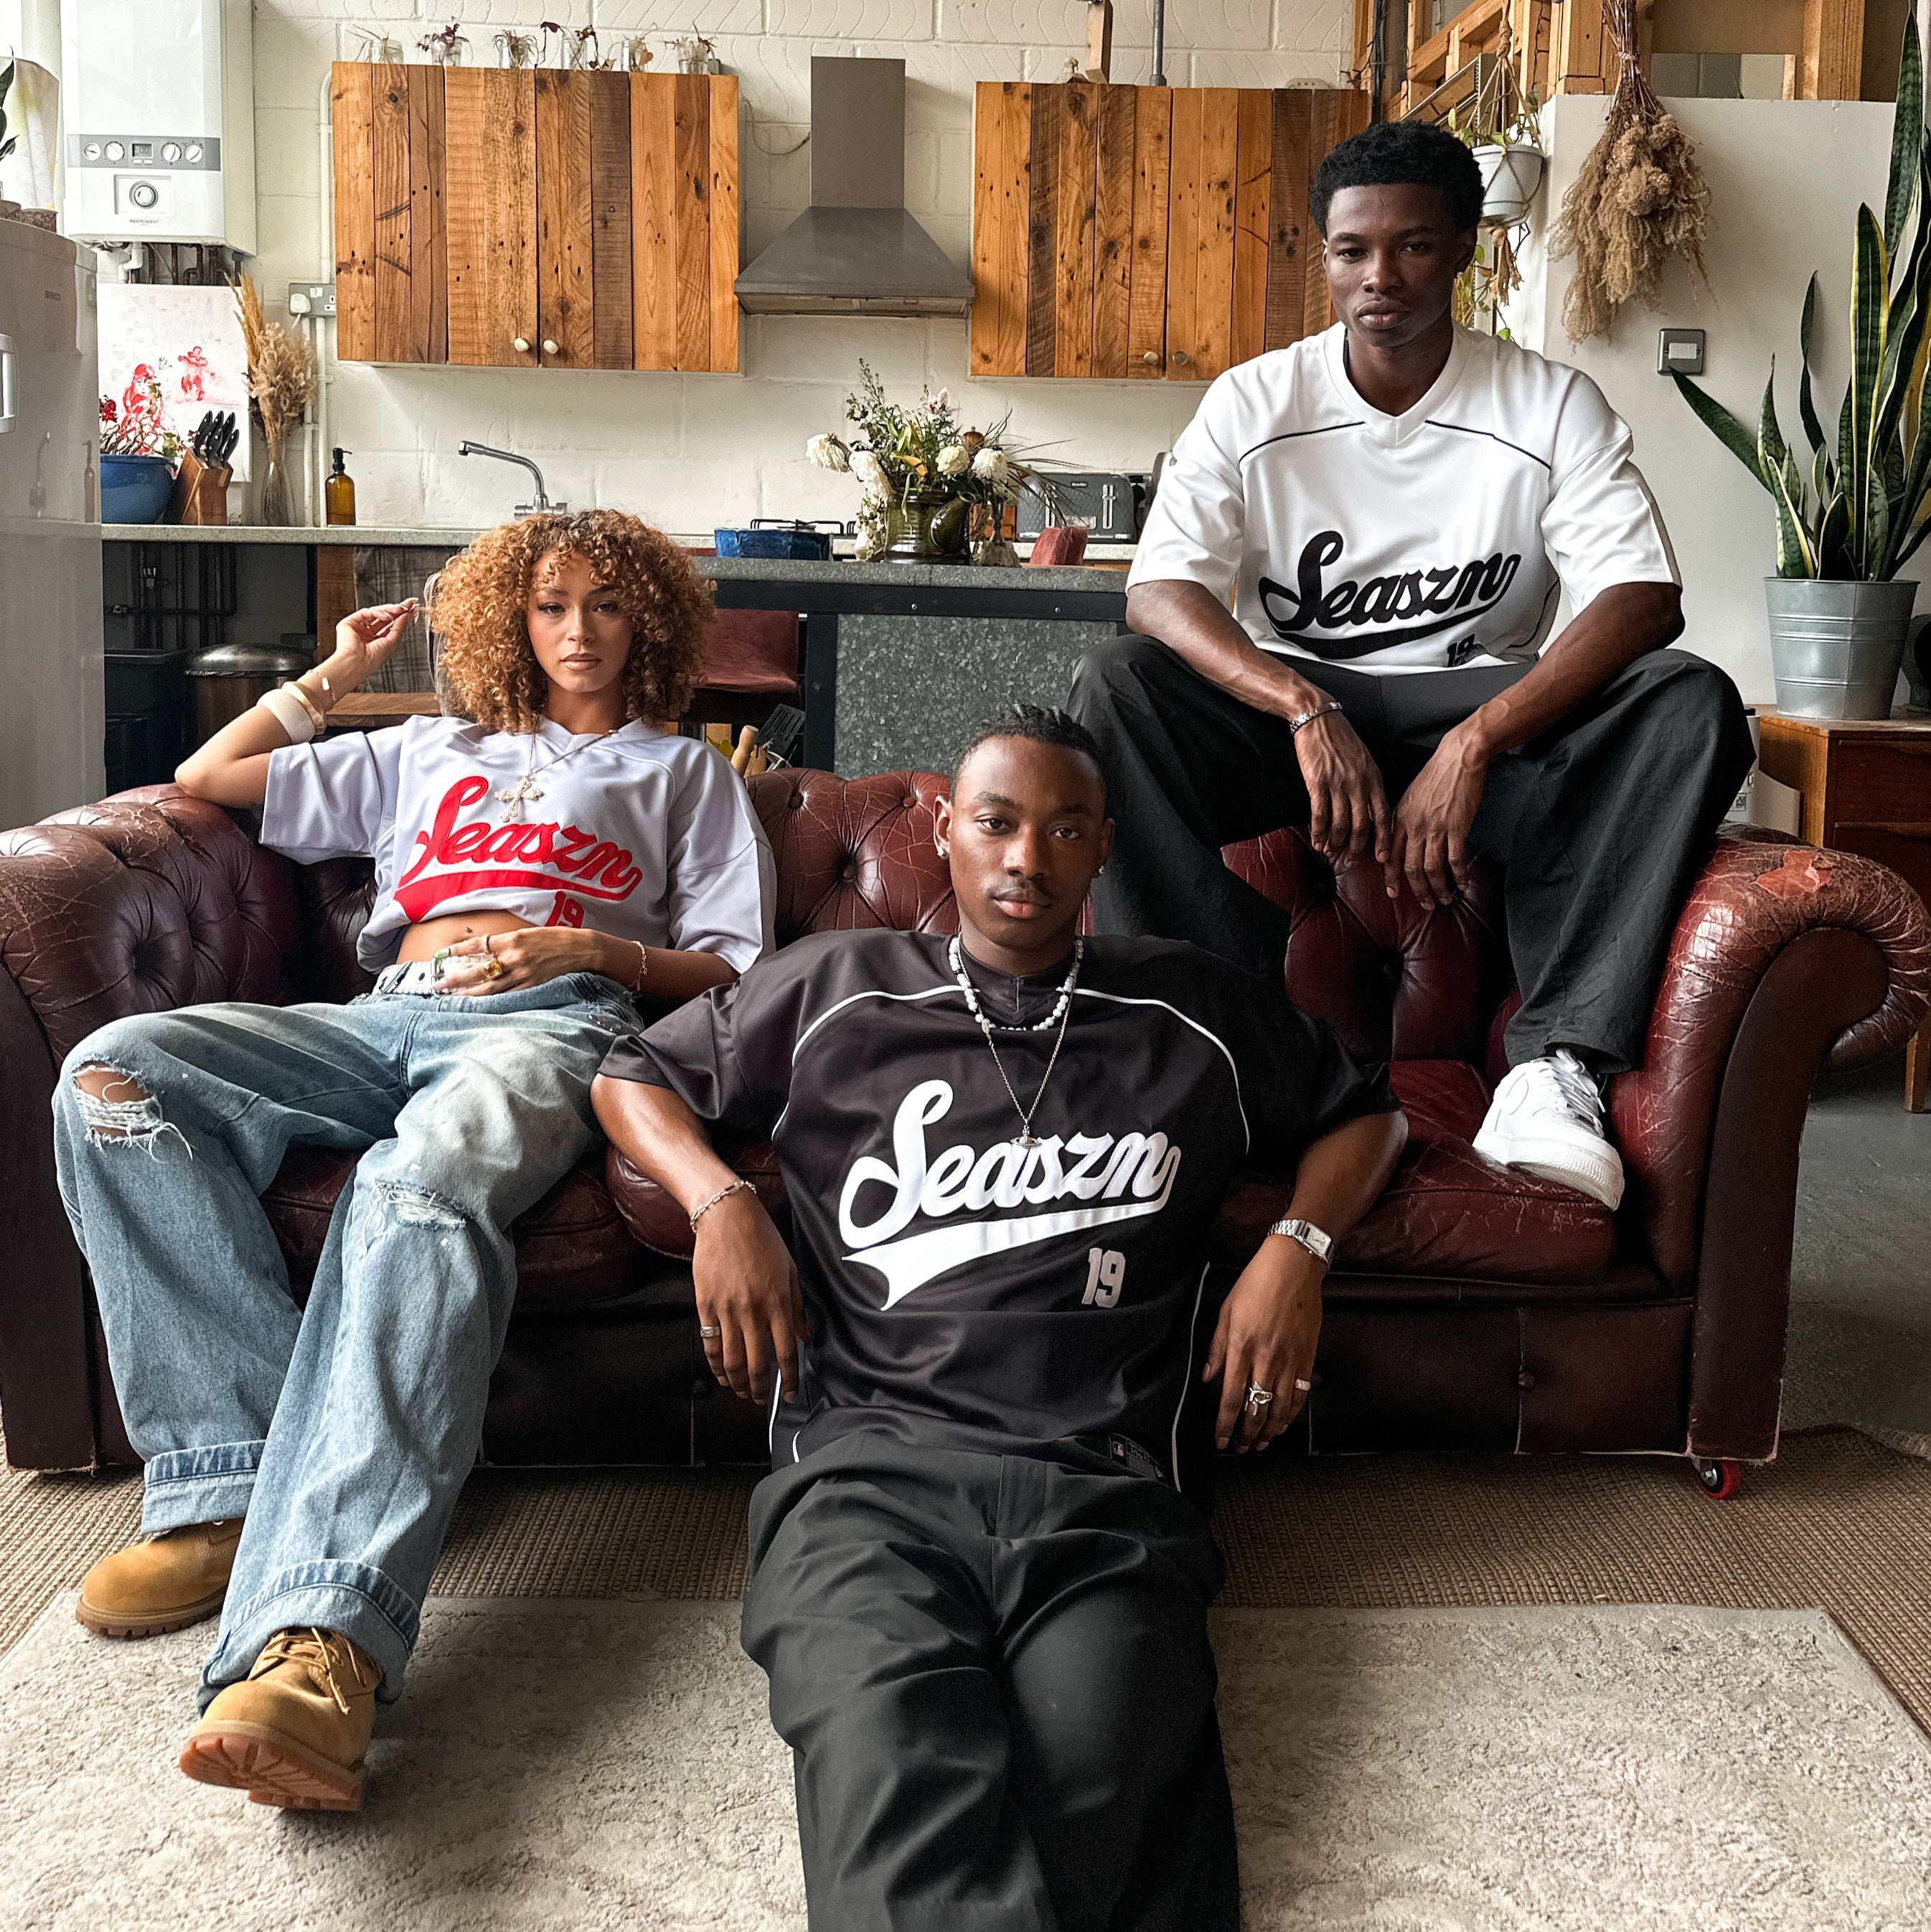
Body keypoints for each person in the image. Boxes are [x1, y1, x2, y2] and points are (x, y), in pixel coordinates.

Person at [593, 705, 1407, 1931]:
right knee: (893, 1773)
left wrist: (1298, 1248)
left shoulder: (1190, 1009)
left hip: (1106, 1486)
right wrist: (720, 1203)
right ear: (945, 834)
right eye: (997, 824)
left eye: (1065, 830)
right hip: (866, 1484)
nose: (1027, 858)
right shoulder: (834, 988)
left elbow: (1369, 1113)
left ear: (1104, 849)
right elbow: (631, 1073)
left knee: (1107, 1789)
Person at [54, 510, 773, 1811]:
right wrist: (333, 675)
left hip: (553, 1026)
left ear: (650, 623)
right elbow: (210, 776)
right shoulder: (424, 748)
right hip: (381, 1014)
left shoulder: (683, 772)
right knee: (116, 1074)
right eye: (549, 606)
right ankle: (227, 1482)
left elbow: (735, 967)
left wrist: (594, 950)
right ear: (512, 621)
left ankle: (322, 1638)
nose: (578, 633)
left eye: (607, 606)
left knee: (414, 1191)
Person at [1067, 118, 1755, 1211]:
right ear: (1325, 256)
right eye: (1352, 250)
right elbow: (1159, 590)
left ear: (1465, 249)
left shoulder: (1549, 403)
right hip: (1294, 722)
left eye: (1414, 246)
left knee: (1689, 701)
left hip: (1482, 714)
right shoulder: (1254, 401)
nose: (1378, 277)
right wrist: (1301, 705)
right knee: (1118, 687)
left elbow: (1642, 597)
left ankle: (1554, 1067)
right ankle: (1218, 1038)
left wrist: (1478, 741)